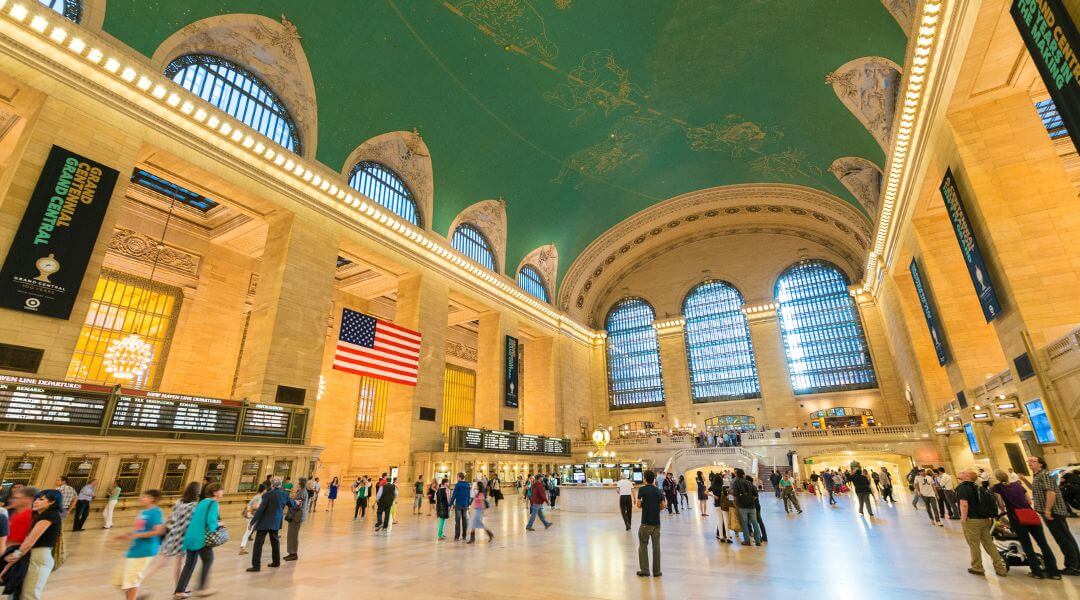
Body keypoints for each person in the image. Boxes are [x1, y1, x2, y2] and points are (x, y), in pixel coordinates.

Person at [991, 469, 1060, 579]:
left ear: (997, 478)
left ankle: (1037, 572)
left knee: (1026, 544)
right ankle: (1054, 572)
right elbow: (1029, 501)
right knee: (1043, 544)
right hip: (1030, 514)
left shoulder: (997, 487)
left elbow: (1001, 505)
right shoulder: (1018, 485)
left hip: (1016, 517)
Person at [4, 489, 63, 599]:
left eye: (41, 499)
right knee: (20, 593)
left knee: (29, 595)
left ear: (52, 502)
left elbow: (29, 542)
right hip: (34, 556)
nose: (36, 502)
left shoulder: (49, 515)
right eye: (36, 499)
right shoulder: (42, 515)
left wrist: (15, 556)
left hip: (39, 557)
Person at [1029, 455, 1080, 575]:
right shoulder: (1038, 476)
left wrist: (1047, 510)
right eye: (1028, 461)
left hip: (1053, 512)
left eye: (1032, 461)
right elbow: (1038, 491)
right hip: (1051, 511)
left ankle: (1073, 566)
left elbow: (1051, 492)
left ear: (1040, 464)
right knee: (1065, 537)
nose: (1029, 463)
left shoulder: (1044, 474)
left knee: (1062, 538)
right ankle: (1076, 564)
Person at [112, 489, 165, 600]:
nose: (141, 498)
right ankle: (137, 596)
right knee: (120, 580)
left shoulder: (156, 512)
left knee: (131, 581)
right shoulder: (143, 512)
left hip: (146, 550)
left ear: (152, 499)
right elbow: (139, 530)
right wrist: (127, 535)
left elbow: (158, 531)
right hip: (134, 549)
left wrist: (136, 536)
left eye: (144, 496)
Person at [956, 469, 1007, 577]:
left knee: (974, 544)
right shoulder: (978, 487)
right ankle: (1000, 568)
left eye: (964, 472)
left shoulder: (963, 487)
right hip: (984, 520)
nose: (961, 472)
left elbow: (964, 504)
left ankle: (977, 567)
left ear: (967, 476)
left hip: (972, 520)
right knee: (989, 544)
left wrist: (963, 519)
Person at [174, 482, 222, 598]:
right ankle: (202, 588)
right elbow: (211, 522)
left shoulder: (202, 502)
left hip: (190, 537)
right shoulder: (213, 503)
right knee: (208, 560)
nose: (222, 492)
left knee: (189, 564)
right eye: (221, 490)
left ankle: (179, 591)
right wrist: (219, 525)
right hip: (201, 538)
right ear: (215, 492)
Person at [161, 482, 201, 583]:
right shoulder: (195, 505)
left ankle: (177, 585)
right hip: (186, 536)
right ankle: (180, 587)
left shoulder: (178, 502)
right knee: (187, 562)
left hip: (175, 534)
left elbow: (171, 517)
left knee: (178, 562)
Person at [247, 477, 289, 572]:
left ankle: (256, 566)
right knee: (275, 542)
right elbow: (291, 503)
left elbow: (261, 509)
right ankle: (276, 562)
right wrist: (296, 503)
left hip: (264, 523)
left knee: (258, 544)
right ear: (280, 484)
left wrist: (252, 522)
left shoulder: (267, 495)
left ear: (272, 485)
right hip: (275, 523)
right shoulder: (285, 494)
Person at [635, 470, 665, 578]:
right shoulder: (658, 491)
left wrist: (645, 504)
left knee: (643, 546)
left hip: (645, 523)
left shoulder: (642, 490)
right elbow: (663, 506)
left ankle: (645, 570)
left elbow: (638, 505)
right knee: (656, 546)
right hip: (656, 523)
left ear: (645, 479)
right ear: (653, 479)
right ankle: (657, 571)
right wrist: (655, 506)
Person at [731, 468, 761, 546]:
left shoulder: (736, 482)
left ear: (736, 475)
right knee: (755, 523)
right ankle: (758, 540)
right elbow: (755, 495)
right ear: (744, 474)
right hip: (752, 506)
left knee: (744, 524)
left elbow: (735, 496)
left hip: (742, 506)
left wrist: (736, 504)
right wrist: (750, 500)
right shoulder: (749, 482)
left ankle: (747, 541)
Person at [284, 477, 309, 560]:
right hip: (296, 516)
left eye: (298, 482)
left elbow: (297, 505)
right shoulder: (301, 491)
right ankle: (291, 552)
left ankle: (293, 553)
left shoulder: (302, 492)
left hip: (296, 517)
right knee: (292, 535)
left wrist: (289, 502)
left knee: (293, 535)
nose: (297, 483)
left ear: (300, 483)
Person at [239, 483, 266, 555]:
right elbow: (255, 506)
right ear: (264, 490)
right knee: (248, 531)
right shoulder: (258, 497)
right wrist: (263, 507)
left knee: (249, 531)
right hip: (251, 516)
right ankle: (242, 548)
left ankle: (242, 548)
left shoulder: (257, 496)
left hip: (252, 516)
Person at [450, 473, 471, 541]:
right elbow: (468, 496)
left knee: (457, 521)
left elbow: (454, 495)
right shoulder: (467, 484)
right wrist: (468, 505)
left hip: (458, 505)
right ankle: (464, 536)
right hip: (465, 505)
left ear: (459, 477)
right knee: (464, 521)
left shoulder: (458, 484)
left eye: (457, 477)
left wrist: (450, 504)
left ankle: (457, 537)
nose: (457, 478)